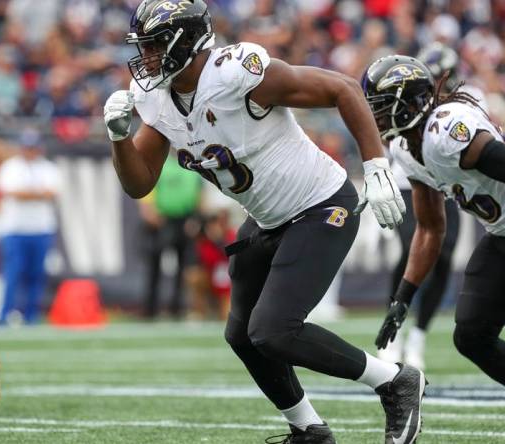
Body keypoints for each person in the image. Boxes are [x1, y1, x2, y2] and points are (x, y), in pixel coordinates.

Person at [103, 1, 422, 443]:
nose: (148, 57)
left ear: (188, 41)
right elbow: (139, 184)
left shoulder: (237, 72)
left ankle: (394, 380)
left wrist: (375, 165)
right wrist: (119, 138)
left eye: (157, 45)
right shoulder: (157, 99)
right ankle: (308, 428)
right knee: (242, 334)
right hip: (267, 218)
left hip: (320, 204)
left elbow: (343, 88)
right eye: (145, 46)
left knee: (272, 330)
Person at [365, 54, 505, 444]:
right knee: (471, 336)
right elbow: (431, 228)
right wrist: (403, 298)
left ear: (410, 102)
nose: (377, 119)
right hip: (503, 233)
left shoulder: (447, 128)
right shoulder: (406, 149)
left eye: (382, 108)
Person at [380, 43, 470, 370]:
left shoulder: (467, 99)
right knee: (409, 250)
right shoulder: (409, 100)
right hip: (409, 183)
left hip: (449, 186)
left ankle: (418, 335)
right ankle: (395, 332)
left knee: (444, 255)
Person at [0, 130, 60, 325]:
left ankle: (31, 316)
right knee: (12, 275)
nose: (30, 151)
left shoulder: (49, 168)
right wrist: (37, 193)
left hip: (41, 229)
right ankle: (4, 316)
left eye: (33, 147)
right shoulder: (10, 167)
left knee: (36, 275)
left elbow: (52, 193)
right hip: (14, 229)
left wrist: (27, 193)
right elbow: (11, 191)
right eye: (27, 147)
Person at [138, 154, 201, 320]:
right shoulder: (160, 162)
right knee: (154, 264)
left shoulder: (191, 164)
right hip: (161, 219)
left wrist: (195, 217)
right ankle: (150, 308)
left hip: (184, 219)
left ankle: (177, 307)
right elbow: (147, 185)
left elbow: (199, 191)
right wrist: (148, 210)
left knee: (183, 266)